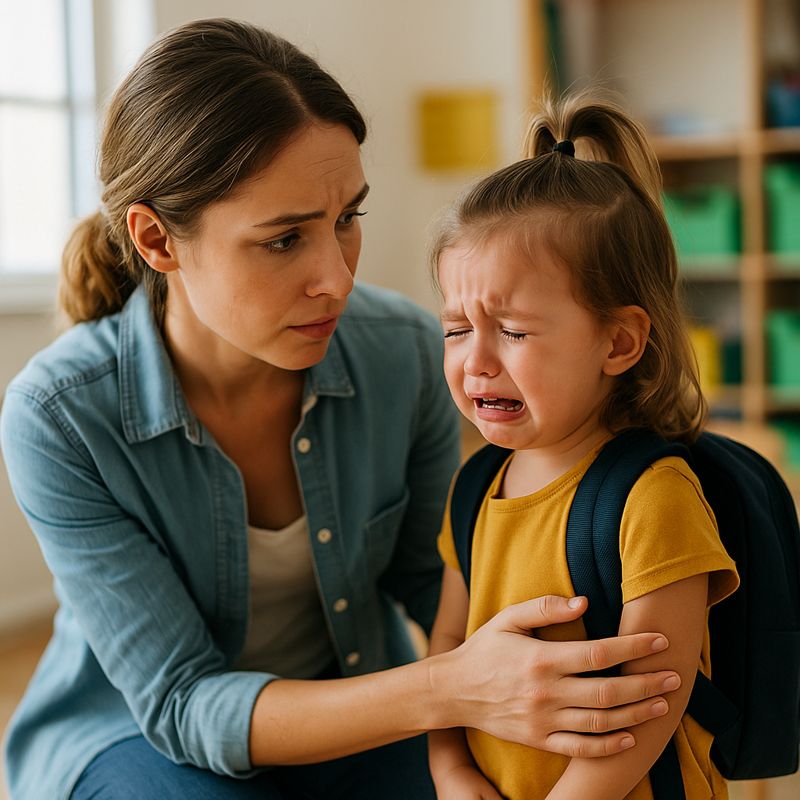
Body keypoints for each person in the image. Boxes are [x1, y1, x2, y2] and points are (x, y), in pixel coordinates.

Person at [1, 22, 682, 800]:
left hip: (366, 703)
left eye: (347, 219)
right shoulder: (58, 418)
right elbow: (182, 703)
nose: (336, 275)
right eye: (284, 239)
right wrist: (452, 690)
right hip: (134, 736)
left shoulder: (400, 355)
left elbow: (443, 579)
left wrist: (587, 669)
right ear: (158, 240)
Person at [427, 93, 740, 800]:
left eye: (512, 330)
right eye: (455, 329)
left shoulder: (653, 497)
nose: (475, 360)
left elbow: (651, 704)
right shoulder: (475, 487)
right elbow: (447, 655)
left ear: (618, 342)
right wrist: (449, 773)